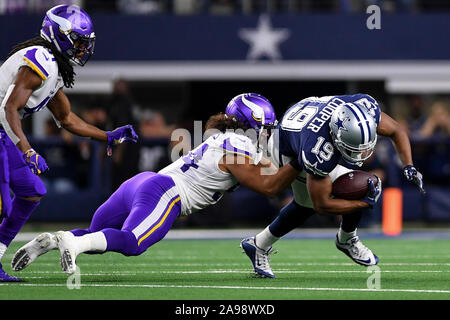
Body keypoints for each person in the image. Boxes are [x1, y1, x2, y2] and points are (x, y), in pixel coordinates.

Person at [11, 93, 301, 275]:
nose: (265, 135)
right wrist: (302, 162)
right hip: (165, 193)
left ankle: (52, 240)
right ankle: (71, 242)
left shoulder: (220, 138)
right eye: (263, 128)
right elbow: (269, 187)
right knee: (132, 243)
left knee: (96, 235)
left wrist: (286, 163)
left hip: (142, 183)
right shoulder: (237, 144)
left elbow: (265, 166)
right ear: (251, 126)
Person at [0, 5, 138, 281]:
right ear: (59, 35)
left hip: (3, 135)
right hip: (2, 130)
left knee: (31, 191)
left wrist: (107, 136)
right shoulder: (40, 58)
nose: (83, 49)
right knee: (2, 203)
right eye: (78, 41)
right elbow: (8, 108)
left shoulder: (53, 67)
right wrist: (26, 149)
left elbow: (67, 119)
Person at [240, 94, 425, 278]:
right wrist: (364, 203)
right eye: (354, 148)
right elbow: (322, 205)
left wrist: (408, 165)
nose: (363, 154)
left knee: (312, 202)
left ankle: (259, 244)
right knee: (349, 190)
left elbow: (397, 130)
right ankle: (347, 239)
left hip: (305, 118)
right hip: (283, 148)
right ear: (336, 136)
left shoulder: (364, 108)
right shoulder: (317, 149)